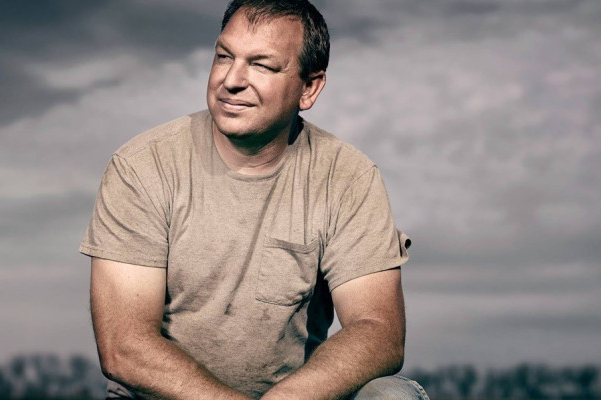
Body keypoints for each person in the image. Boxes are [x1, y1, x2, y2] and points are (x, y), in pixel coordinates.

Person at [79, 0, 428, 399]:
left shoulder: (348, 178)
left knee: (392, 395)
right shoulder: (142, 166)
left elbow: (378, 330)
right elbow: (124, 347)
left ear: (309, 88)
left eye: (261, 65)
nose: (231, 79)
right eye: (224, 56)